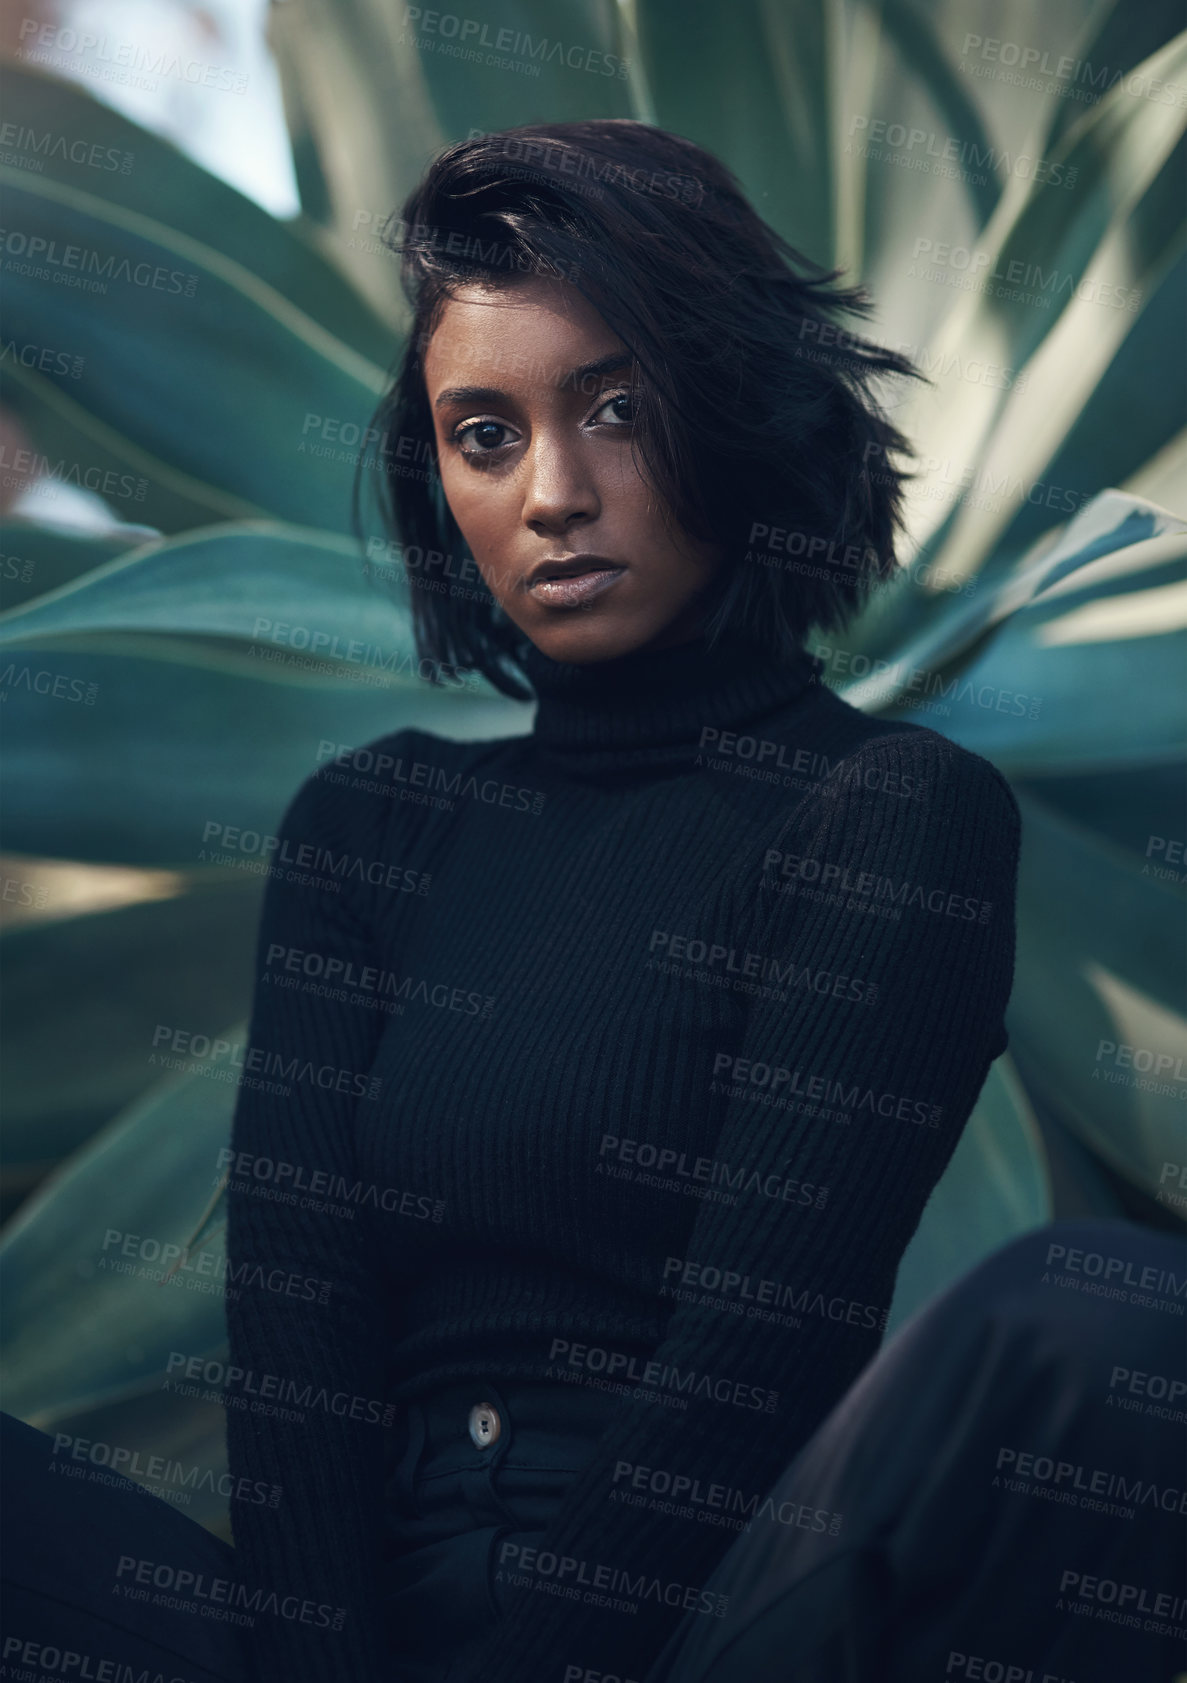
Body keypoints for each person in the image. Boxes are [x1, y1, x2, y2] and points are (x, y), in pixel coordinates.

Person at [3, 120, 1177, 1683]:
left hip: (701, 1618)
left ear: (737, 411)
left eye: (615, 408)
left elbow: (761, 1349)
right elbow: (299, 1359)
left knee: (1097, 1324)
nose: (553, 491)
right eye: (485, 435)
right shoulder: (371, 825)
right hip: (340, 1640)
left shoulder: (889, 815)